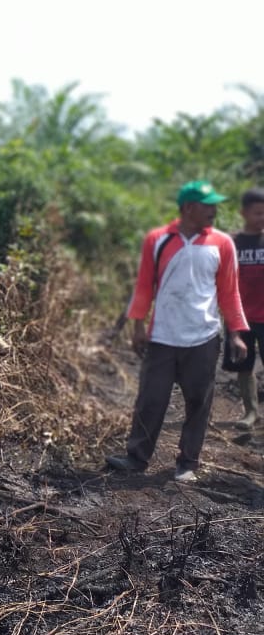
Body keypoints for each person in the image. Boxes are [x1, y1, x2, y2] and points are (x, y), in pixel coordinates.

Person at [106, 180, 249, 483]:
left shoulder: (221, 243)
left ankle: (187, 463)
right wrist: (138, 325)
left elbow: (229, 292)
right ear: (188, 208)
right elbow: (144, 286)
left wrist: (236, 332)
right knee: (151, 399)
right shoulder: (158, 240)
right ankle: (136, 457)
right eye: (208, 204)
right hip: (162, 337)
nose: (214, 210)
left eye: (215, 204)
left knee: (199, 402)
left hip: (203, 337)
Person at [223, 188, 264, 429]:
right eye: (258, 213)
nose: (262, 218)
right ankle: (251, 412)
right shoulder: (232, 243)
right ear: (244, 213)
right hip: (240, 317)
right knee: (244, 366)